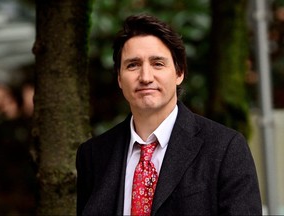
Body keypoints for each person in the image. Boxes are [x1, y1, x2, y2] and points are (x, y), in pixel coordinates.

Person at [76, 14, 262, 215]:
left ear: (179, 73)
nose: (146, 77)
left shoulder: (225, 148)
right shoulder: (93, 155)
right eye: (133, 65)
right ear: (120, 78)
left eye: (158, 63)